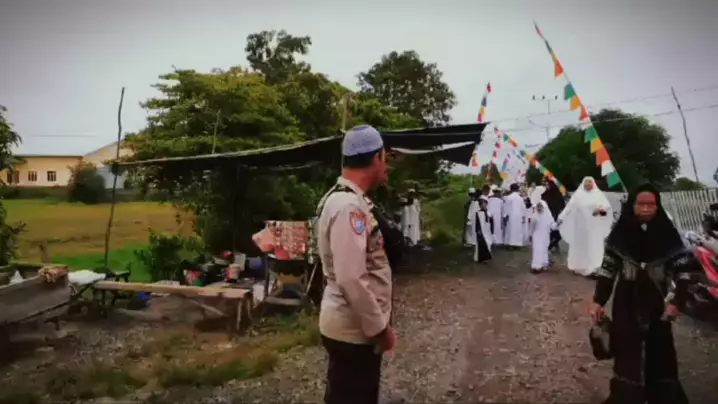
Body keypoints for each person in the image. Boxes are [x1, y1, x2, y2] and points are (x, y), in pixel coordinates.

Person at [591, 183, 697, 404]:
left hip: (657, 302)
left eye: (651, 204)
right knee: (627, 351)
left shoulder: (668, 234)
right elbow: (608, 269)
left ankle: (662, 396)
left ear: (658, 206)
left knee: (660, 351)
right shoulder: (620, 234)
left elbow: (684, 272)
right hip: (626, 301)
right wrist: (598, 301)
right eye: (641, 204)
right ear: (633, 205)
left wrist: (677, 302)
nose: (646, 209)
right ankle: (627, 396)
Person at [315, 125, 395, 404]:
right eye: (385, 157)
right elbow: (351, 278)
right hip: (353, 332)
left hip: (351, 328)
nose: (387, 165)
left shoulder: (346, 200)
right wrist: (380, 330)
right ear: (375, 158)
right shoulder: (349, 207)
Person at [558, 177, 613, 276]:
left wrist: (597, 212)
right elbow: (569, 207)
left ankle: (593, 267)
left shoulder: (598, 195)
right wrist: (561, 217)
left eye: (590, 182)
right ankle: (578, 265)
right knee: (580, 245)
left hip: (593, 226)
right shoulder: (577, 195)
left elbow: (606, 210)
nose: (588, 184)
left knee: (592, 245)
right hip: (579, 226)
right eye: (586, 182)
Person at [530, 201, 556, 273]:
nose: (539, 208)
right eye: (538, 207)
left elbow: (553, 226)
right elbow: (531, 227)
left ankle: (544, 264)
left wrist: (558, 224)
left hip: (545, 236)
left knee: (544, 250)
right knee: (537, 250)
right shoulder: (534, 216)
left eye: (540, 207)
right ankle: (537, 266)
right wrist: (530, 234)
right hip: (537, 236)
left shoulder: (548, 216)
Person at [541, 178, 566, 252]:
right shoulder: (544, 194)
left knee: (558, 233)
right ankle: (549, 246)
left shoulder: (558, 194)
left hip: (556, 216)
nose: (546, 186)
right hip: (547, 216)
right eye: (545, 184)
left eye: (547, 184)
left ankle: (552, 244)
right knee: (550, 232)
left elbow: (562, 206)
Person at [468, 195, 493, 263]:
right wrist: (478, 230)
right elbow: (477, 223)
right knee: (480, 244)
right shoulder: (478, 213)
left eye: (484, 203)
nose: (483, 205)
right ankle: (479, 258)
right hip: (481, 231)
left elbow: (491, 223)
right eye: (481, 204)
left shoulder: (489, 213)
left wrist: (492, 231)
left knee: (488, 243)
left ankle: (487, 257)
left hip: (487, 231)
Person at [503, 183, 525, 249]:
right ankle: (517, 244)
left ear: (511, 189)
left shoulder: (509, 197)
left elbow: (506, 207)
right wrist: (523, 216)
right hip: (518, 216)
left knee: (511, 230)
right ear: (517, 189)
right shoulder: (520, 198)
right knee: (518, 230)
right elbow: (523, 208)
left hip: (511, 216)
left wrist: (505, 215)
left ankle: (511, 244)